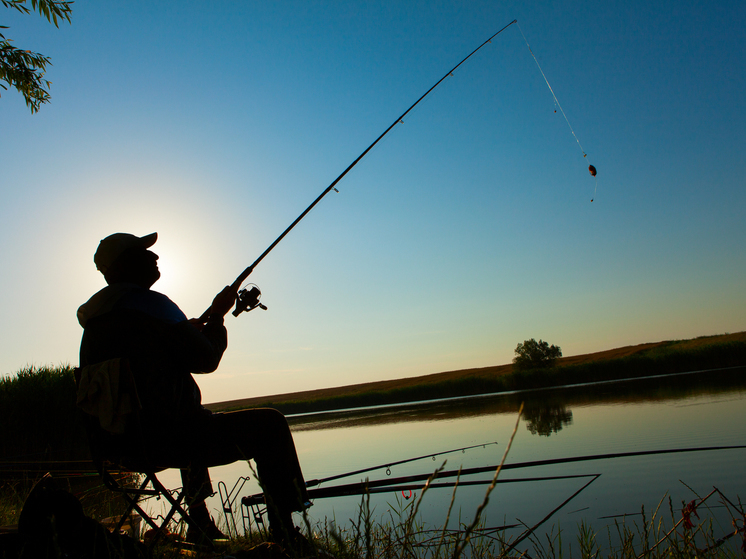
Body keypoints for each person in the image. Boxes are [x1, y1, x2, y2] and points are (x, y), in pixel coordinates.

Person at [76, 232, 311, 546]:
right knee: (270, 424)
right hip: (169, 441)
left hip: (118, 449)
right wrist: (217, 315)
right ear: (125, 264)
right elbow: (206, 358)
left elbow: (146, 364)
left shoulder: (94, 324)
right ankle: (284, 534)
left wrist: (183, 331)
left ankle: (199, 521)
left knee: (187, 414)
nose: (155, 257)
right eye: (145, 253)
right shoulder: (152, 305)